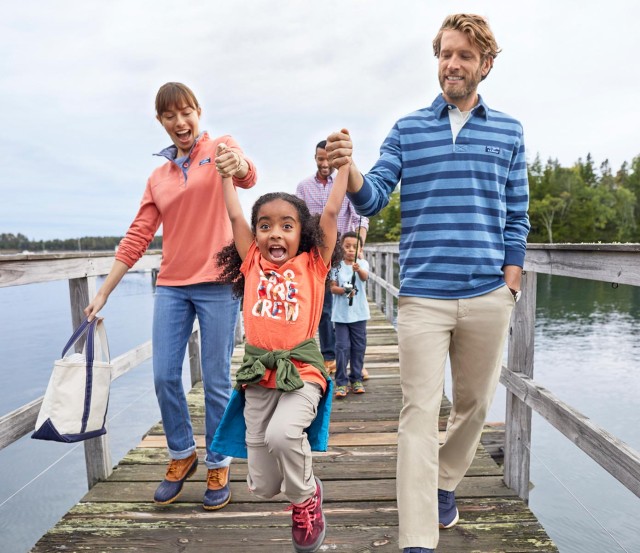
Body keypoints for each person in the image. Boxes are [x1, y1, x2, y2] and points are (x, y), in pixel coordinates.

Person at [326, 14, 530, 553]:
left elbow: (519, 215)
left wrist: (510, 284)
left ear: (485, 64)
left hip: (488, 294)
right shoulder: (408, 129)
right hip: (422, 299)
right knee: (418, 412)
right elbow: (372, 197)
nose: (452, 64)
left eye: (464, 55)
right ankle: (416, 537)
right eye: (445, 54)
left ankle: (443, 480)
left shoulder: (509, 131)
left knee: (474, 406)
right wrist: (348, 169)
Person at [84, 82, 257, 511]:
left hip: (218, 282)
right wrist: (104, 291)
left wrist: (238, 164)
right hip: (173, 286)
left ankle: (219, 462)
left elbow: (248, 174)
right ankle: (182, 453)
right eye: (169, 117)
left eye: (186, 113)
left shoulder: (220, 147)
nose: (180, 122)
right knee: (163, 375)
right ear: (161, 122)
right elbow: (138, 235)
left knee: (216, 379)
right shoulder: (158, 177)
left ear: (198, 111)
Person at [210, 145, 350, 553]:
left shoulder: (314, 265)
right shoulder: (251, 260)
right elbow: (234, 214)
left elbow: (329, 215)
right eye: (266, 226)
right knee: (264, 486)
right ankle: (296, 489)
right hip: (258, 376)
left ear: (300, 233)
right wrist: (224, 175)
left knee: (284, 435)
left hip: (301, 371)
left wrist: (343, 168)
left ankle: (307, 500)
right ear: (256, 235)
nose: (275, 233)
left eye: (287, 226)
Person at [295, 140, 369, 377]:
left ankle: (355, 361)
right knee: (325, 308)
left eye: (328, 158)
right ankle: (330, 357)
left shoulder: (347, 184)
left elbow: (361, 219)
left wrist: (359, 246)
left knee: (349, 301)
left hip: (344, 257)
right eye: (320, 158)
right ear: (315, 158)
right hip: (317, 255)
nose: (324, 163)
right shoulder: (304, 186)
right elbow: (298, 219)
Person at [329, 231, 370, 398]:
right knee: (342, 348)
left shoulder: (362, 263)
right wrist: (346, 291)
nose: (351, 249)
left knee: (358, 347)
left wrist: (358, 269)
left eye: (355, 247)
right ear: (341, 247)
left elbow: (365, 277)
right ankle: (341, 382)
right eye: (347, 246)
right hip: (341, 316)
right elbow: (332, 287)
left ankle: (356, 378)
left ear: (360, 249)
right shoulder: (336, 266)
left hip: (359, 315)